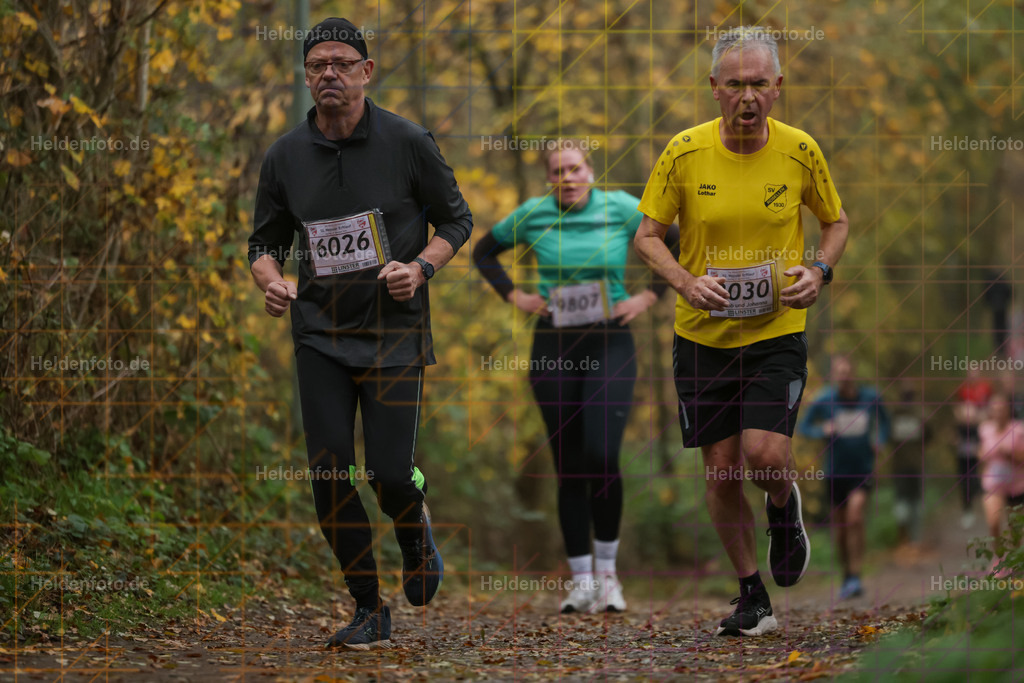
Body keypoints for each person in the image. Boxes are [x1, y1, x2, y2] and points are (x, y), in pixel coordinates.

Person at [247, 17, 473, 650]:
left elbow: (457, 220)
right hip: (319, 334)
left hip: (393, 333)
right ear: (306, 75)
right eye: (318, 65)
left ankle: (413, 525)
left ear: (366, 71)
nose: (330, 74)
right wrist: (272, 280)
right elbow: (263, 243)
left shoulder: (408, 142)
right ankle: (369, 606)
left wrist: (421, 268)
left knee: (391, 474)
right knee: (328, 474)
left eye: (342, 64)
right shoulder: (284, 155)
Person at [633, 26, 849, 636]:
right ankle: (752, 595)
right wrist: (684, 282)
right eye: (734, 85)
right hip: (702, 336)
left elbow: (836, 222)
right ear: (714, 87)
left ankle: (783, 503)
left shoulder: (800, 150)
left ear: (778, 86)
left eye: (758, 84)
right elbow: (647, 237)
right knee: (722, 470)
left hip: (776, 330)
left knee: (764, 455)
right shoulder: (684, 151)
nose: (747, 96)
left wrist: (820, 270)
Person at [473, 140, 678, 614]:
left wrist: (649, 296)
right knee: (568, 463)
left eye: (575, 168)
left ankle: (608, 578)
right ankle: (581, 580)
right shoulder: (533, 214)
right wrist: (515, 296)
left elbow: (675, 240)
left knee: (602, 454)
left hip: (610, 341)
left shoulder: (621, 207)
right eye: (558, 171)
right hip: (554, 344)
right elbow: (484, 253)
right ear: (549, 178)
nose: (567, 178)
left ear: (590, 171)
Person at [798, 356, 890, 600]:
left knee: (855, 517)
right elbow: (804, 427)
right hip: (835, 472)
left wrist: (879, 440)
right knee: (840, 529)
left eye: (847, 372)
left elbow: (885, 423)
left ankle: (856, 575)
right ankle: (847, 575)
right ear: (833, 376)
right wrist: (822, 430)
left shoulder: (870, 397)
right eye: (839, 373)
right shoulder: (824, 399)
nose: (843, 376)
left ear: (853, 373)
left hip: (862, 470)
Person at [977, 392, 1024, 577]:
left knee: (1015, 529)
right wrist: (983, 455)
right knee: (994, 522)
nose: (998, 412)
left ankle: (1015, 562)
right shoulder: (985, 429)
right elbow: (981, 453)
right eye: (994, 409)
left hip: (1017, 485)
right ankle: (999, 560)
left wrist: (1010, 455)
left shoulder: (1019, 430)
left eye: (1001, 409)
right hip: (993, 484)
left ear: (1008, 410)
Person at [887, 378, 930, 549]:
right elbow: (929, 436)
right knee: (909, 502)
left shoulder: (898, 414)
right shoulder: (918, 413)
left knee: (908, 501)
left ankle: (910, 539)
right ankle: (910, 538)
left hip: (909, 466)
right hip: (907, 465)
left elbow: (888, 436)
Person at [954, 369, 991, 529]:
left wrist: (978, 417)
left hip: (980, 436)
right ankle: (967, 510)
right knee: (964, 477)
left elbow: (990, 409)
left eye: (975, 372)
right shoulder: (962, 389)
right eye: (970, 372)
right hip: (964, 438)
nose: (972, 375)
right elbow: (958, 411)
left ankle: (984, 503)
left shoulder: (986, 387)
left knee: (979, 474)